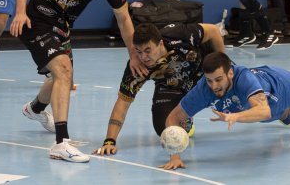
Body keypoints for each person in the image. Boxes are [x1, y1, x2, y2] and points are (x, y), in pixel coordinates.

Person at [10, 0, 147, 163]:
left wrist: (133, 54)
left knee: (62, 76)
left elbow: (124, 18)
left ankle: (35, 109)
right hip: (36, 20)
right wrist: (20, 12)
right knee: (63, 70)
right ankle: (61, 143)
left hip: (61, 26)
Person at [159, 51, 290, 170]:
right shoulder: (204, 89)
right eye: (209, 80)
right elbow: (173, 118)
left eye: (219, 79)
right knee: (276, 115)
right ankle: (289, 112)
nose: (214, 86)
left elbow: (263, 110)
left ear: (230, 73)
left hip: (279, 85)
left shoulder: (244, 79)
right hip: (256, 107)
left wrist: (234, 116)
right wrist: (175, 154)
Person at [92, 22, 225, 156]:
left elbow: (214, 31)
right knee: (164, 129)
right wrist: (110, 141)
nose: (143, 57)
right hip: (171, 86)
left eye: (148, 50)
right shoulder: (137, 67)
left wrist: (222, 66)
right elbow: (123, 103)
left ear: (160, 44)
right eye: (138, 51)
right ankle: (186, 119)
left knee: (239, 98)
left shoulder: (179, 35)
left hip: (205, 74)